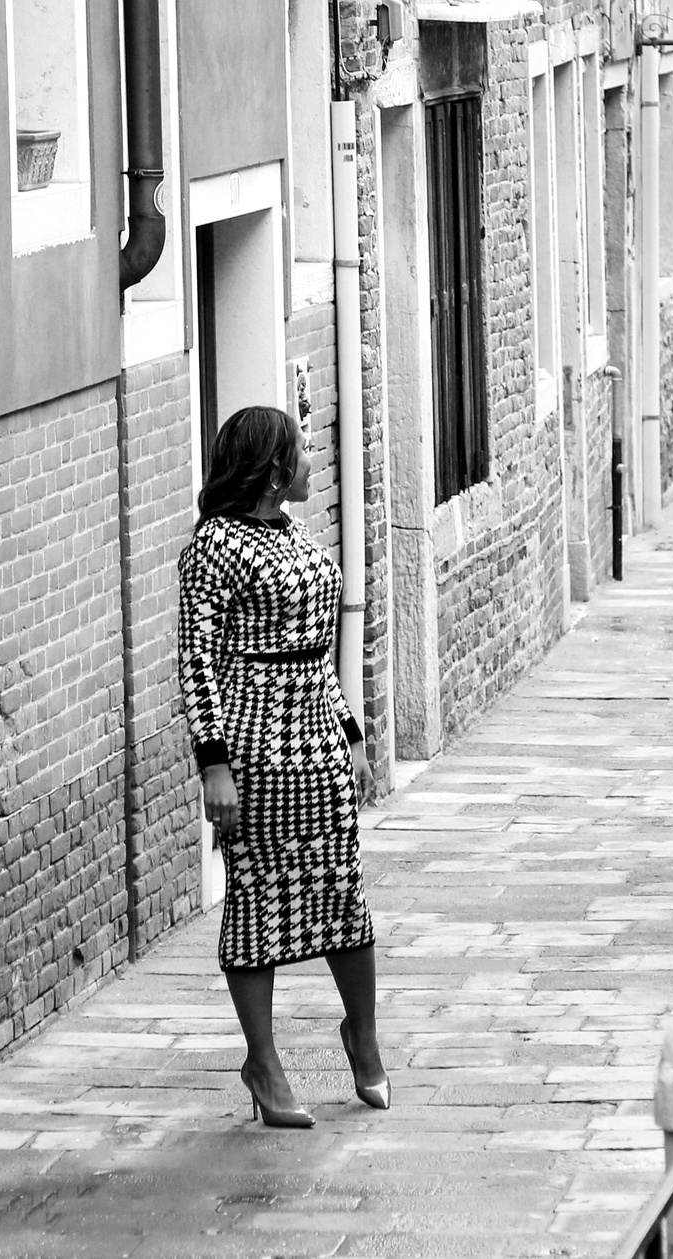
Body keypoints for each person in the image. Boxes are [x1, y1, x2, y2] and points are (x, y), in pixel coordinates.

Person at [177, 405, 387, 1128]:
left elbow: (316, 642)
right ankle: (262, 1064)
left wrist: (351, 730)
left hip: (317, 733)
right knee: (257, 899)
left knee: (341, 885)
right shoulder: (213, 546)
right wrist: (213, 766)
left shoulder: (293, 530)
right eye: (301, 452)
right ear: (271, 470)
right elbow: (197, 661)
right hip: (253, 743)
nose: (311, 462)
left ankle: (361, 1033)